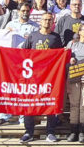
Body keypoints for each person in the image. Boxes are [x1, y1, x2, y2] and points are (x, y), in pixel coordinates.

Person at [20, 12, 62, 143]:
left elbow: (60, 56)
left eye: (50, 20)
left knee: (50, 103)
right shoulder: (33, 36)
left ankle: (50, 132)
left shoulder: (56, 37)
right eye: (45, 20)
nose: (47, 22)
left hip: (49, 77)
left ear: (53, 22)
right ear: (40, 21)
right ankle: (29, 132)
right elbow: (23, 53)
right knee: (29, 104)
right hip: (33, 77)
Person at [0, 3, 39, 126]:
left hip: (27, 62)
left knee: (25, 89)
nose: (25, 12)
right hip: (12, 60)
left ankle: (23, 117)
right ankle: (4, 116)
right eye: (23, 10)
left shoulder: (35, 27)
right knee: (9, 88)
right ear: (18, 11)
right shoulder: (10, 25)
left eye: (27, 10)